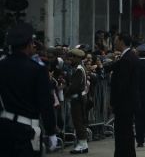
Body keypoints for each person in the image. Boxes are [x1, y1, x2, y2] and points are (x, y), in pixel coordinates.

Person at [0, 22, 58, 156]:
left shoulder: (2, 66)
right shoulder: (37, 69)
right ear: (28, 44)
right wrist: (51, 131)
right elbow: (46, 103)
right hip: (27, 131)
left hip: (4, 128)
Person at [108, 33, 139, 157]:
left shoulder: (126, 59)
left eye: (116, 40)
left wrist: (113, 102)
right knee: (127, 132)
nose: (115, 43)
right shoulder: (130, 57)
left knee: (122, 132)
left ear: (122, 41)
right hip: (129, 102)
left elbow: (122, 84)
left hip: (124, 103)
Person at [65, 48, 90, 154]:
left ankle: (82, 144)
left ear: (78, 58)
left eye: (73, 57)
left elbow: (75, 87)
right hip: (79, 98)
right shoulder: (79, 68)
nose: (71, 59)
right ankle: (82, 143)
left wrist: (67, 91)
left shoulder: (79, 69)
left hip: (78, 98)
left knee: (78, 121)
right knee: (79, 121)